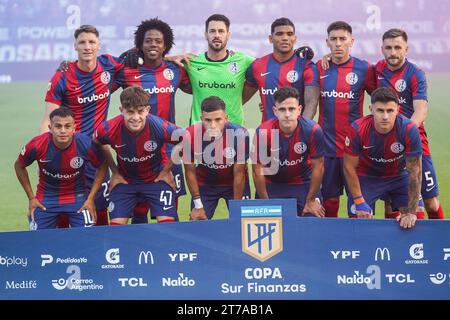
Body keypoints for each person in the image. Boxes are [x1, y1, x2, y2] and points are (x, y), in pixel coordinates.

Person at [42, 24, 124, 226]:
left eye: (91, 42)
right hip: (70, 151)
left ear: (99, 45)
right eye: (82, 42)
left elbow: (148, 58)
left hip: (97, 151)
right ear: (75, 46)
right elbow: (48, 119)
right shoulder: (63, 76)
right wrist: (46, 153)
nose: (87, 46)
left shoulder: (110, 65)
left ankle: (103, 252)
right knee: (66, 205)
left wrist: (172, 58)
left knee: (101, 205)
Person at [114, 18, 192, 223]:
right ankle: (140, 251)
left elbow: (198, 83)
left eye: (158, 41)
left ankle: (168, 250)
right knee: (139, 209)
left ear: (166, 45)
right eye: (148, 41)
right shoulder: (126, 70)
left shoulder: (176, 69)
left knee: (168, 209)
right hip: (135, 151)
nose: (153, 45)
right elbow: (97, 74)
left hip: (167, 151)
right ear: (140, 44)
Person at [374, 28, 444, 220]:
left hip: (415, 142)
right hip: (386, 145)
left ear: (407, 49)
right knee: (392, 202)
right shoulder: (377, 70)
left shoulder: (415, 74)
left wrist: (405, 134)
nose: (393, 52)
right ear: (382, 49)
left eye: (398, 47)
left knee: (431, 202)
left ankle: (441, 241)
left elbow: (421, 110)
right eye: (388, 47)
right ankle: (396, 247)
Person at [94, 86, 182, 225]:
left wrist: (166, 170)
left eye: (140, 112)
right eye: (130, 112)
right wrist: (114, 172)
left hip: (156, 180)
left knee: (168, 227)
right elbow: (98, 142)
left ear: (147, 110)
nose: (136, 118)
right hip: (125, 182)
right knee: (115, 230)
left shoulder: (159, 126)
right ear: (121, 110)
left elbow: (186, 138)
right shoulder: (107, 129)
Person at [315, 21, 376, 218]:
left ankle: (356, 245)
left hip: (355, 150)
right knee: (330, 201)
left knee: (357, 203)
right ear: (327, 42)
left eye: (343, 39)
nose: (338, 43)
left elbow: (381, 99)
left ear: (352, 41)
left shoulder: (364, 69)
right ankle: (331, 241)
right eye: (334, 39)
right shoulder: (319, 67)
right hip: (328, 148)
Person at [14, 107, 107, 230]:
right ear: (50, 128)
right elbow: (19, 166)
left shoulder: (86, 144)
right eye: (58, 126)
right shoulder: (37, 145)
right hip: (45, 199)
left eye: (67, 126)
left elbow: (102, 165)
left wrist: (90, 199)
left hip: (78, 198)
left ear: (74, 128)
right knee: (37, 240)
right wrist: (31, 198)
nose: (63, 131)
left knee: (87, 237)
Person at [343, 87, 423, 229]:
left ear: (397, 110)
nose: (385, 116)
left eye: (390, 111)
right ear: (371, 109)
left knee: (417, 215)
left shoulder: (409, 129)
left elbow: (415, 171)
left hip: (399, 176)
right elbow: (349, 166)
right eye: (380, 110)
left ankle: (402, 251)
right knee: (359, 217)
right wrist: (359, 200)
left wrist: (411, 212)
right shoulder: (357, 129)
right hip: (368, 178)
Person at [252, 87, 325, 217]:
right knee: (267, 222)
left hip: (302, 182)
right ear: (275, 111)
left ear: (299, 110)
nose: (287, 114)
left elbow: (318, 167)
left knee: (312, 218)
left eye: (291, 109)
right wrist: (265, 203)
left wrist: (311, 200)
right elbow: (258, 172)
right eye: (282, 109)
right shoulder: (263, 132)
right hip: (272, 184)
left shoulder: (313, 130)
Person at [180, 96, 250, 220]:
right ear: (201, 119)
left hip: (233, 184)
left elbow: (239, 173)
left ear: (226, 118)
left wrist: (237, 206)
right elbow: (189, 171)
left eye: (218, 120)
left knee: (243, 223)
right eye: (208, 120)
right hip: (205, 185)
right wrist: (197, 204)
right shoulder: (189, 135)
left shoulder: (240, 134)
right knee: (196, 223)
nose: (213, 125)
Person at [244, 17, 320, 123]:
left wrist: (302, 129)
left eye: (289, 34)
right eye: (280, 34)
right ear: (271, 39)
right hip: (267, 134)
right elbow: (240, 99)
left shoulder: (306, 66)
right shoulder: (257, 66)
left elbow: (311, 102)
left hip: (296, 134)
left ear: (295, 38)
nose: (285, 38)